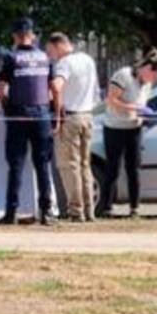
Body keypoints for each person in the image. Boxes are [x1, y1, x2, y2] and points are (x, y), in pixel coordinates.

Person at [0, 17, 57, 226]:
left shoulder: (11, 58)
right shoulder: (45, 58)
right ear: (32, 35)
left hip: (18, 115)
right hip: (42, 115)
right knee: (42, 165)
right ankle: (46, 212)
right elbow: (54, 90)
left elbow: (0, 91)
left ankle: (11, 212)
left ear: (15, 36)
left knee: (16, 165)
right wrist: (55, 113)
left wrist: (8, 108)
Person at [97, 49, 157, 218]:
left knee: (134, 168)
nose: (153, 80)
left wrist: (152, 115)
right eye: (154, 76)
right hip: (115, 127)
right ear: (147, 68)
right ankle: (106, 207)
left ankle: (134, 207)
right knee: (113, 168)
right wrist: (133, 108)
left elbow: (142, 105)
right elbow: (111, 100)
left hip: (134, 127)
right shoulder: (124, 75)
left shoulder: (147, 84)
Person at [47, 32, 99, 222]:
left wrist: (56, 111)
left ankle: (76, 210)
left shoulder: (64, 63)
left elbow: (56, 86)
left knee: (69, 166)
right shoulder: (87, 59)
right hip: (87, 115)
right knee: (85, 165)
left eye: (51, 51)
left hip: (70, 117)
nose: (51, 56)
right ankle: (89, 209)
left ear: (58, 45)